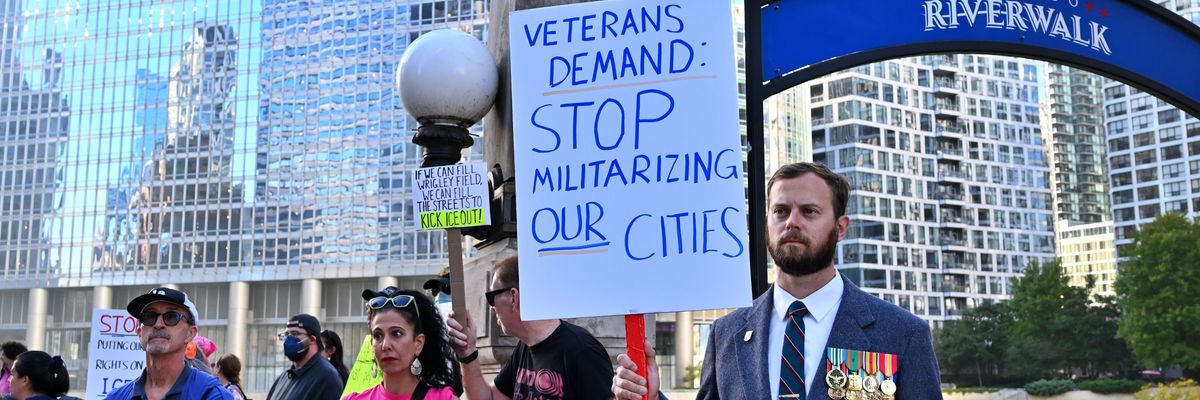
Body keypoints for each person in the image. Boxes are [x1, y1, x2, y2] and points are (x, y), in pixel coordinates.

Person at [611, 162, 943, 400]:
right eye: (780, 211)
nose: (792, 222)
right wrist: (652, 397)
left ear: (841, 228)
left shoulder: (902, 334)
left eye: (809, 211)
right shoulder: (726, 333)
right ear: (766, 222)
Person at [447, 255, 614, 400]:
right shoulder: (525, 347)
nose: (492, 307)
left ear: (513, 297)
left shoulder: (581, 350)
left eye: (492, 297)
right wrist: (467, 353)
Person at [106, 287, 234, 399]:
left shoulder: (211, 395)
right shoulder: (116, 397)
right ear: (139, 332)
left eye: (171, 316)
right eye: (149, 316)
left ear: (190, 333)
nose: (158, 324)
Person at [341, 287, 458, 400]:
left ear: (418, 343)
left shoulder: (442, 397)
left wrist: (468, 358)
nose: (385, 345)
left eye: (396, 334)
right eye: (378, 336)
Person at [265, 314, 343, 400]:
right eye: (286, 334)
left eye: (295, 334)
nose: (289, 339)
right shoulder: (283, 378)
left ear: (312, 339)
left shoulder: (327, 377)